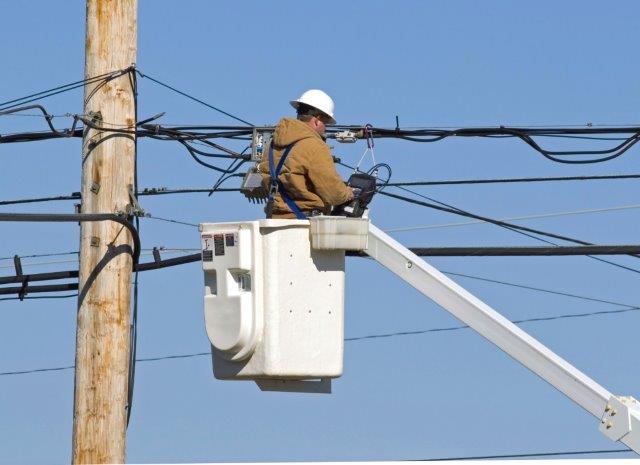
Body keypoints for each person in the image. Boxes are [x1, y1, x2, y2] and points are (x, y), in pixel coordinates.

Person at [259, 89, 354, 219]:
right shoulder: (315, 146)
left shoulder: (272, 144)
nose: (325, 129)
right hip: (303, 224)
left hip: (274, 220)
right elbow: (333, 193)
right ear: (317, 120)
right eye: (325, 124)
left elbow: (266, 180)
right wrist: (348, 193)